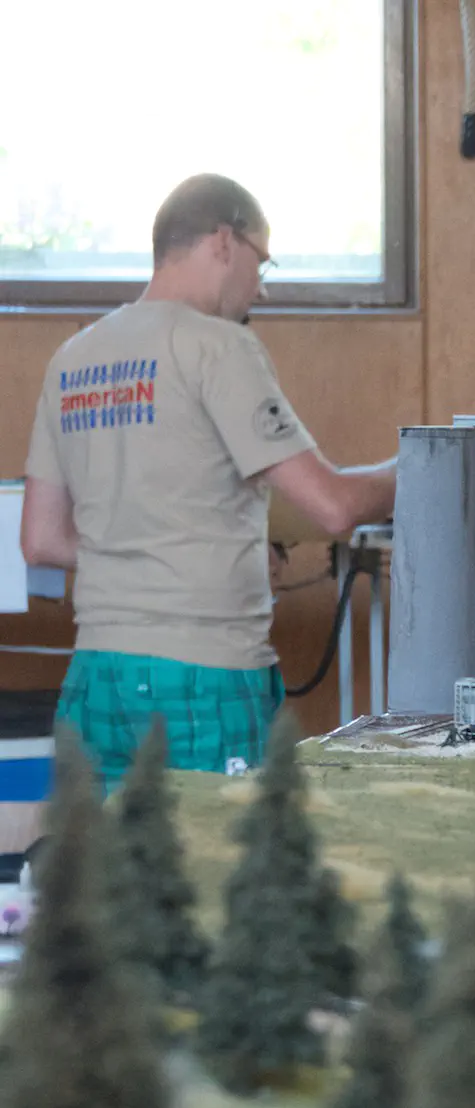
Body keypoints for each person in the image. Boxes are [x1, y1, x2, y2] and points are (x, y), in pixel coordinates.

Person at [19, 173, 396, 789]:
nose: (260, 290)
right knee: (219, 849)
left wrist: (175, 555)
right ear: (225, 240)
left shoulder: (73, 359)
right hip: (204, 675)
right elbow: (332, 507)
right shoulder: (218, 347)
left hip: (96, 677)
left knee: (109, 851)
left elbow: (41, 540)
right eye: (262, 263)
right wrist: (411, 470)